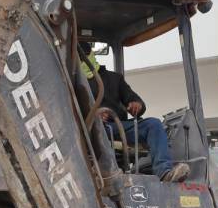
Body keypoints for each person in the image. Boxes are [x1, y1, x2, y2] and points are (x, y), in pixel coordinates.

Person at [80, 43, 189, 182]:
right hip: (91, 129)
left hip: (119, 127)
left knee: (154, 124)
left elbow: (132, 98)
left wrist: (136, 104)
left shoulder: (114, 78)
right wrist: (92, 115)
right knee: (94, 127)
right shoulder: (73, 83)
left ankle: (164, 172)